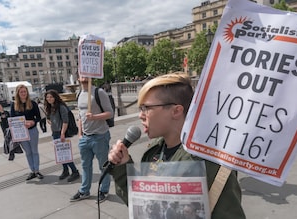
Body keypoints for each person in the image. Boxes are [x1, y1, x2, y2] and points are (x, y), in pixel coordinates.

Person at [108, 73, 246, 219]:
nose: (140, 115)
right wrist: (122, 167)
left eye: (146, 108)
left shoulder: (210, 161)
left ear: (176, 111)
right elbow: (146, 207)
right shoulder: (154, 151)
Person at [70, 75, 114, 203]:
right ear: (78, 77)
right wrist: (80, 134)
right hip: (85, 137)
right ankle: (84, 191)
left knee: (103, 166)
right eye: (81, 73)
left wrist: (94, 117)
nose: (83, 76)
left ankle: (104, 190)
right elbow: (80, 115)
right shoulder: (79, 94)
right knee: (85, 166)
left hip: (100, 136)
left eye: (86, 74)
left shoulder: (98, 92)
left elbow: (110, 113)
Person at [44, 89, 80, 182]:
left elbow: (65, 121)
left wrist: (62, 133)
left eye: (51, 97)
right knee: (60, 154)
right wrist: (50, 121)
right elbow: (50, 119)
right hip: (55, 132)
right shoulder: (49, 107)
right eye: (47, 97)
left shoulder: (61, 107)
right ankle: (65, 170)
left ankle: (75, 171)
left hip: (62, 133)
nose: (49, 99)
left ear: (55, 97)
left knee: (65, 154)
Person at [10, 84, 43, 180]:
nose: (23, 93)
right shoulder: (14, 105)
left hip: (32, 130)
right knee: (28, 152)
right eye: (21, 92)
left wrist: (33, 122)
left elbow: (39, 117)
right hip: (22, 133)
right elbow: (12, 119)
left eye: (25, 91)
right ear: (18, 93)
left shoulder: (33, 103)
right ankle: (32, 170)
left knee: (34, 151)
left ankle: (37, 170)